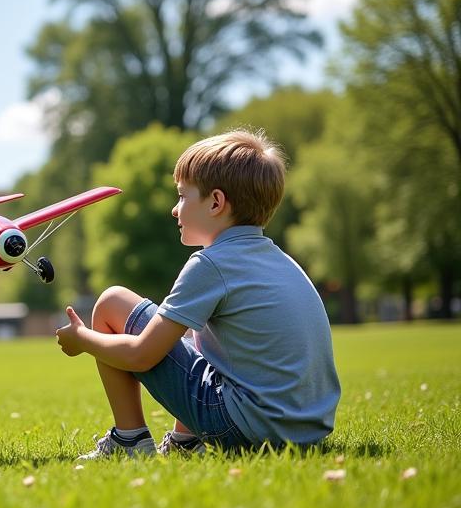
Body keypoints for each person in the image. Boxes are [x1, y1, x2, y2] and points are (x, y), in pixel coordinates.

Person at [55, 129, 340, 458]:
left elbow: (142, 355)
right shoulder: (283, 262)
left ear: (216, 202)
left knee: (110, 303)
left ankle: (129, 440)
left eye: (182, 196)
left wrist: (83, 339)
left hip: (247, 429)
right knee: (190, 332)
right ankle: (185, 443)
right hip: (307, 430)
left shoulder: (210, 264)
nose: (175, 210)